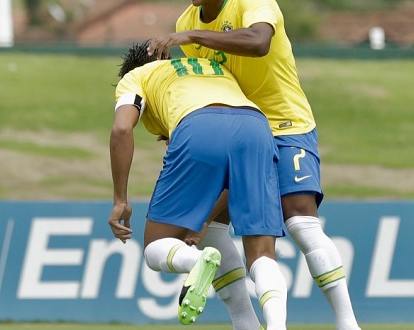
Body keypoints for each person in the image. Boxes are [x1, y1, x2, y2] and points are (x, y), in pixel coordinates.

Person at [147, 0, 361, 330]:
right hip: (241, 135)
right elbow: (207, 83)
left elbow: (259, 41)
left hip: (286, 124)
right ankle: (246, 324)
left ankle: (348, 324)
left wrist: (191, 37)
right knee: (208, 229)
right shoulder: (185, 22)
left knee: (300, 221)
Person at [107, 40, 287, 329]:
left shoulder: (137, 76)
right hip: (257, 129)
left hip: (198, 126)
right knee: (260, 254)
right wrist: (203, 219)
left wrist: (120, 200)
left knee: (156, 247)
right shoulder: (211, 68)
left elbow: (121, 128)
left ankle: (193, 263)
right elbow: (229, 176)